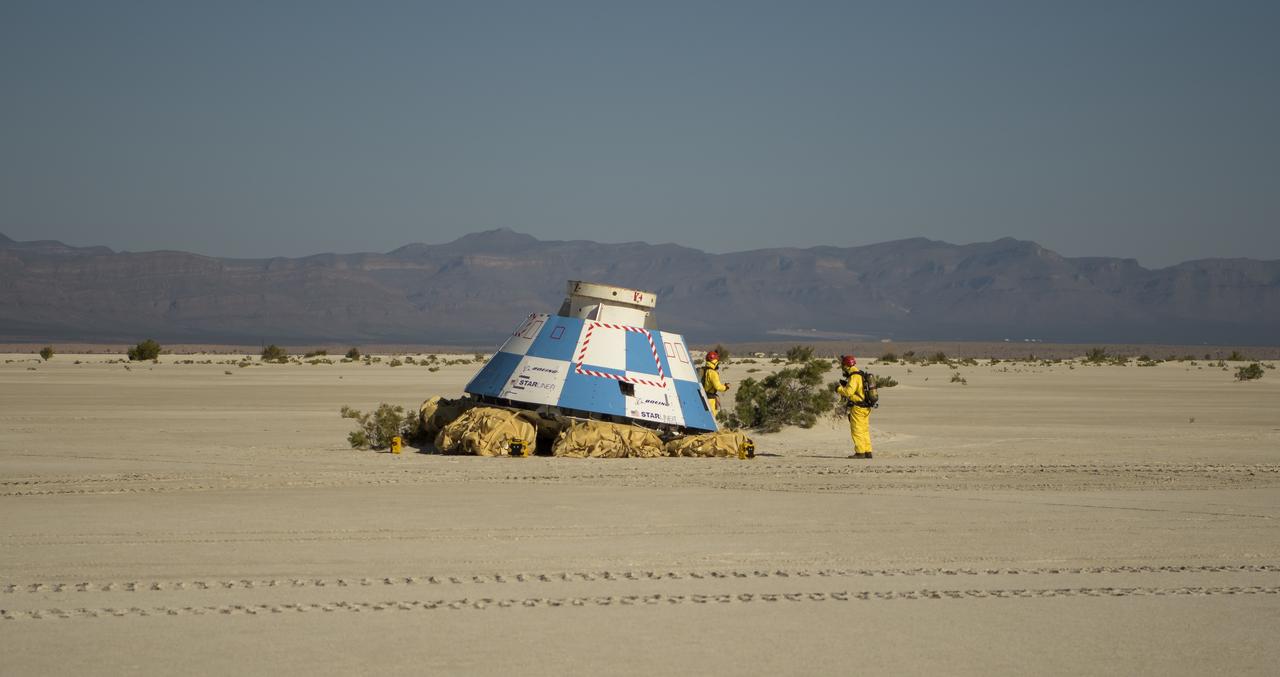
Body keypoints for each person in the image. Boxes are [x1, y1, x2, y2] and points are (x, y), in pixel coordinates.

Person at [836, 355, 873, 459]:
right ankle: (867, 451)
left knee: (857, 430)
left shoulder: (854, 376)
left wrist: (839, 389)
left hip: (858, 408)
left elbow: (848, 392)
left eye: (843, 365)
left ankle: (860, 452)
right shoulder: (860, 374)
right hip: (866, 407)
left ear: (846, 365)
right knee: (864, 430)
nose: (842, 367)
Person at [700, 350, 730, 417]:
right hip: (710, 400)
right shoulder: (713, 373)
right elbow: (718, 387)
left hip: (702, 397)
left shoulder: (703, 370)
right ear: (715, 362)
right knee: (711, 418)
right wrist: (726, 387)